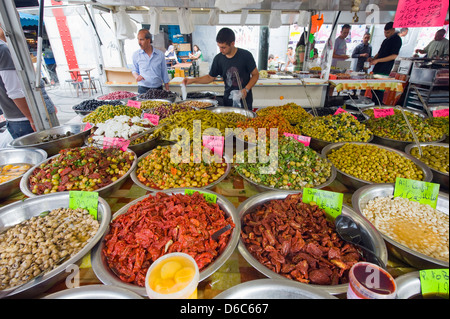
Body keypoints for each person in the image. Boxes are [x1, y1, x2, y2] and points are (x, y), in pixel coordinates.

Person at [182, 27, 259, 110]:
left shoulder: (246, 56)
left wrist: (246, 89)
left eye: (223, 47)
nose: (221, 50)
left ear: (232, 43)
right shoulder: (218, 59)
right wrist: (192, 80)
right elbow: (210, 78)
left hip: (244, 101)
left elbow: (255, 75)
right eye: (219, 47)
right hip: (228, 101)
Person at [0, 26, 36, 139]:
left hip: (13, 118)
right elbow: (14, 91)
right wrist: (32, 118)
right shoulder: (3, 49)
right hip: (24, 119)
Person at [131, 29, 170, 95]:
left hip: (158, 89)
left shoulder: (160, 54)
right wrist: (137, 76)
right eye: (138, 39)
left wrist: (168, 91)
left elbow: (164, 73)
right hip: (143, 89)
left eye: (141, 40)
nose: (139, 43)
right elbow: (134, 70)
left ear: (148, 40)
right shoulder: (136, 55)